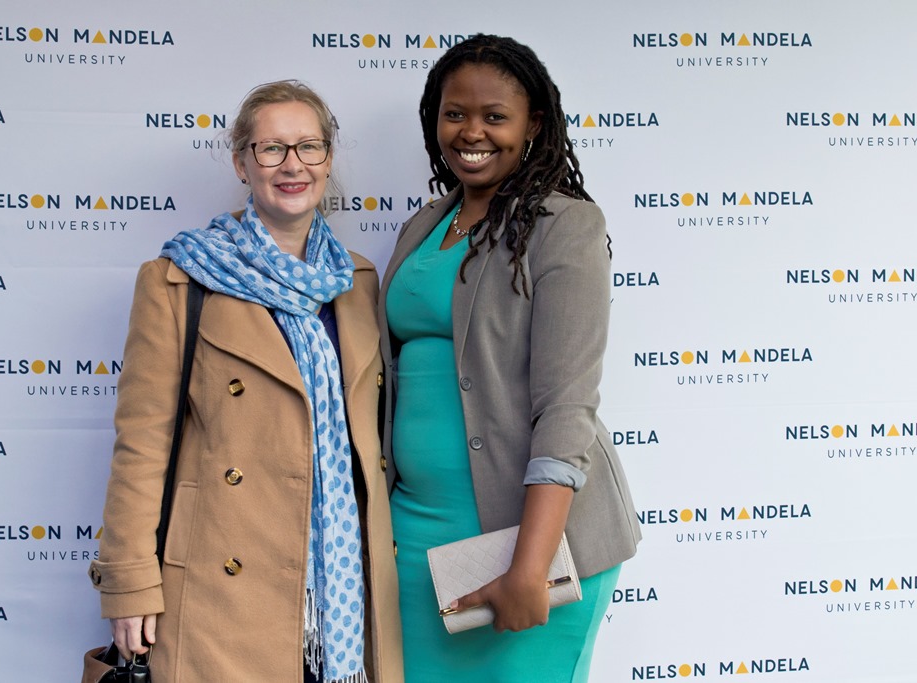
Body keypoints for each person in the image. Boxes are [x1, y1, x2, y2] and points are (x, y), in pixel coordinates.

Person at [89, 80, 403, 683]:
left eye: (309, 147)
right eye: (272, 149)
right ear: (241, 162)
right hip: (222, 584)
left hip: (344, 588)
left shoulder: (357, 282)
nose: (293, 165)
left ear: (328, 159)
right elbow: (142, 444)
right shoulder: (179, 280)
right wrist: (128, 583)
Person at [376, 35, 641, 682]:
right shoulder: (424, 225)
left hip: (530, 539)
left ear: (533, 125)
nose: (471, 132)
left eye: (495, 116)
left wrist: (530, 564)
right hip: (415, 535)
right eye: (454, 113)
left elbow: (566, 406)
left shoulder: (563, 225)